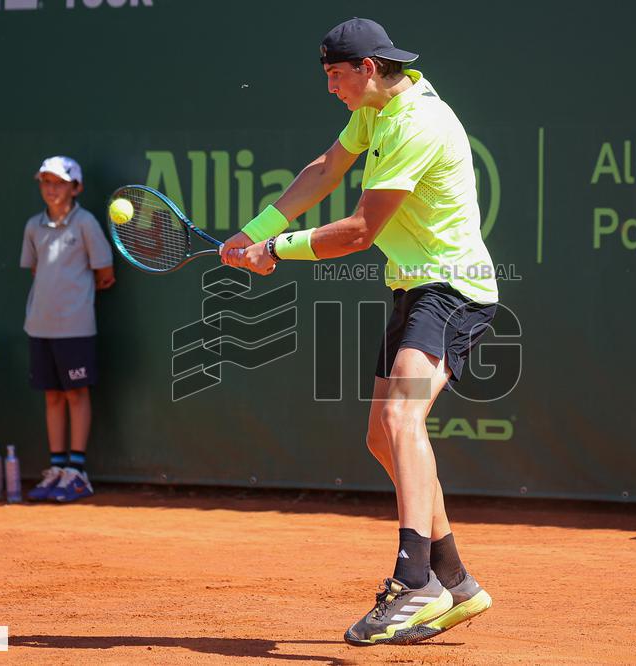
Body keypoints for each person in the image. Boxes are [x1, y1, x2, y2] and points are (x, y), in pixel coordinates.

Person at [220, 18, 498, 646]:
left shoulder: (416, 123)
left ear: (368, 69)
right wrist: (256, 228)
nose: (330, 87)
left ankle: (414, 580)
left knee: (402, 419)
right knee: (381, 436)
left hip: (453, 289)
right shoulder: (377, 109)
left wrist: (277, 249)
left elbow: (360, 230)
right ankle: (455, 581)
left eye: (335, 75)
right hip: (412, 287)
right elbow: (325, 169)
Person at [20, 156, 115, 502]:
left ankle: (77, 471)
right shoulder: (33, 226)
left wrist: (73, 301)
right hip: (39, 327)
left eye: (59, 182)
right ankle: (57, 468)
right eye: (45, 181)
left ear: (76, 188)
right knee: (52, 395)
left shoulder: (86, 223)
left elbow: (105, 273)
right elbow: (35, 272)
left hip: (76, 328)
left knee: (76, 394)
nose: (51, 188)